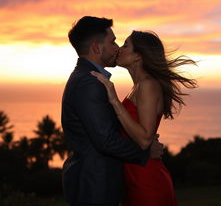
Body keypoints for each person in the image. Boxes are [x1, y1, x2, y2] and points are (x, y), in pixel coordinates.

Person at [61, 16, 163, 206]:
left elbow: (110, 128)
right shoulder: (89, 83)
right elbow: (105, 140)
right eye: (113, 41)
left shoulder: (91, 79)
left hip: (104, 183)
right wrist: (145, 152)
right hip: (95, 186)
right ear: (97, 48)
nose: (117, 47)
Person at [92, 30, 197, 206]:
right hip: (133, 176)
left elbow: (144, 139)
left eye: (125, 45)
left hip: (146, 179)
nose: (119, 49)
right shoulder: (138, 87)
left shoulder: (148, 85)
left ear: (138, 57)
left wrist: (114, 100)